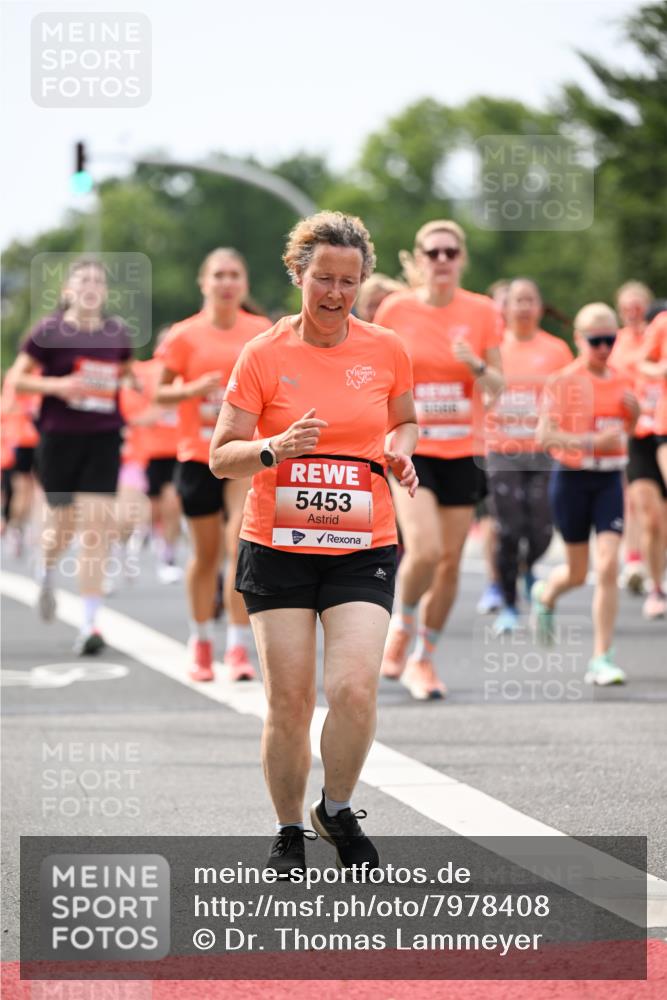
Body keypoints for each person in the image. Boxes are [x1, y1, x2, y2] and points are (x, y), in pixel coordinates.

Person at [209, 211, 418, 875]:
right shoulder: (263, 353)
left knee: (354, 689)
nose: (335, 293)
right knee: (290, 702)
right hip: (278, 546)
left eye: (348, 281)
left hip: (362, 541)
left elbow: (405, 420)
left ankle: (337, 806)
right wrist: (272, 447)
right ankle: (287, 828)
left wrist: (400, 450)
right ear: (297, 274)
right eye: (323, 278)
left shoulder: (386, 348)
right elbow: (221, 456)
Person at [374, 219, 503, 699]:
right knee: (424, 550)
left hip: (463, 450)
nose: (442, 260)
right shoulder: (396, 309)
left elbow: (498, 386)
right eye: (434, 252)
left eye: (451, 252)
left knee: (449, 563)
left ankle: (424, 659)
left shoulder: (482, 311)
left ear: (462, 258)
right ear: (420, 258)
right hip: (411, 447)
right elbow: (373, 372)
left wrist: (476, 365)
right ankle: (402, 625)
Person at [155, 249, 270, 682]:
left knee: (239, 545)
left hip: (245, 452)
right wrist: (191, 391)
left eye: (234, 275)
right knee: (205, 555)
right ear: (204, 283)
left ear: (244, 284)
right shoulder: (184, 335)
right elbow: (159, 393)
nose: (226, 282)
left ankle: (237, 648)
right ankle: (201, 641)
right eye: (218, 275)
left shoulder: (260, 331)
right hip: (197, 455)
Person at [9, 258, 134, 653]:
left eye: (97, 281)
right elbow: (16, 379)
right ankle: (46, 568)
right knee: (61, 527)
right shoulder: (49, 331)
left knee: (95, 528)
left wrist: (134, 387)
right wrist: (59, 386)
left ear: (105, 292)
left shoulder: (117, 333)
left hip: (103, 437)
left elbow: (127, 373)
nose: (90, 287)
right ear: (68, 291)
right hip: (59, 438)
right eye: (83, 280)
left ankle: (89, 623)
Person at [533, 303, 639, 685]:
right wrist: (592, 441)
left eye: (611, 339)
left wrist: (635, 416)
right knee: (578, 573)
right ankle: (547, 594)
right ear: (579, 339)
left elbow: (626, 432)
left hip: (609, 480)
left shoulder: (624, 378)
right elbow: (545, 436)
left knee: (608, 565)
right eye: (596, 341)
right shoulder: (564, 381)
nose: (605, 348)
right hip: (572, 479)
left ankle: (601, 658)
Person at [484, 278, 573, 633]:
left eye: (529, 300)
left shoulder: (556, 350)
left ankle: (525, 569)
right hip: (501, 449)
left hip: (543, 451)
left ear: (539, 306)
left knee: (542, 531)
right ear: (505, 308)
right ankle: (509, 604)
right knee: (508, 529)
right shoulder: (492, 348)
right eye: (516, 300)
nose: (523, 306)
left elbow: (571, 399)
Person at [610, 285, 666, 618]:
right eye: (626, 307)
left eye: (638, 306)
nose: (633, 312)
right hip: (637, 434)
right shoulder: (614, 343)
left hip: (664, 428)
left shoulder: (661, 332)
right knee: (650, 515)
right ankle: (655, 587)